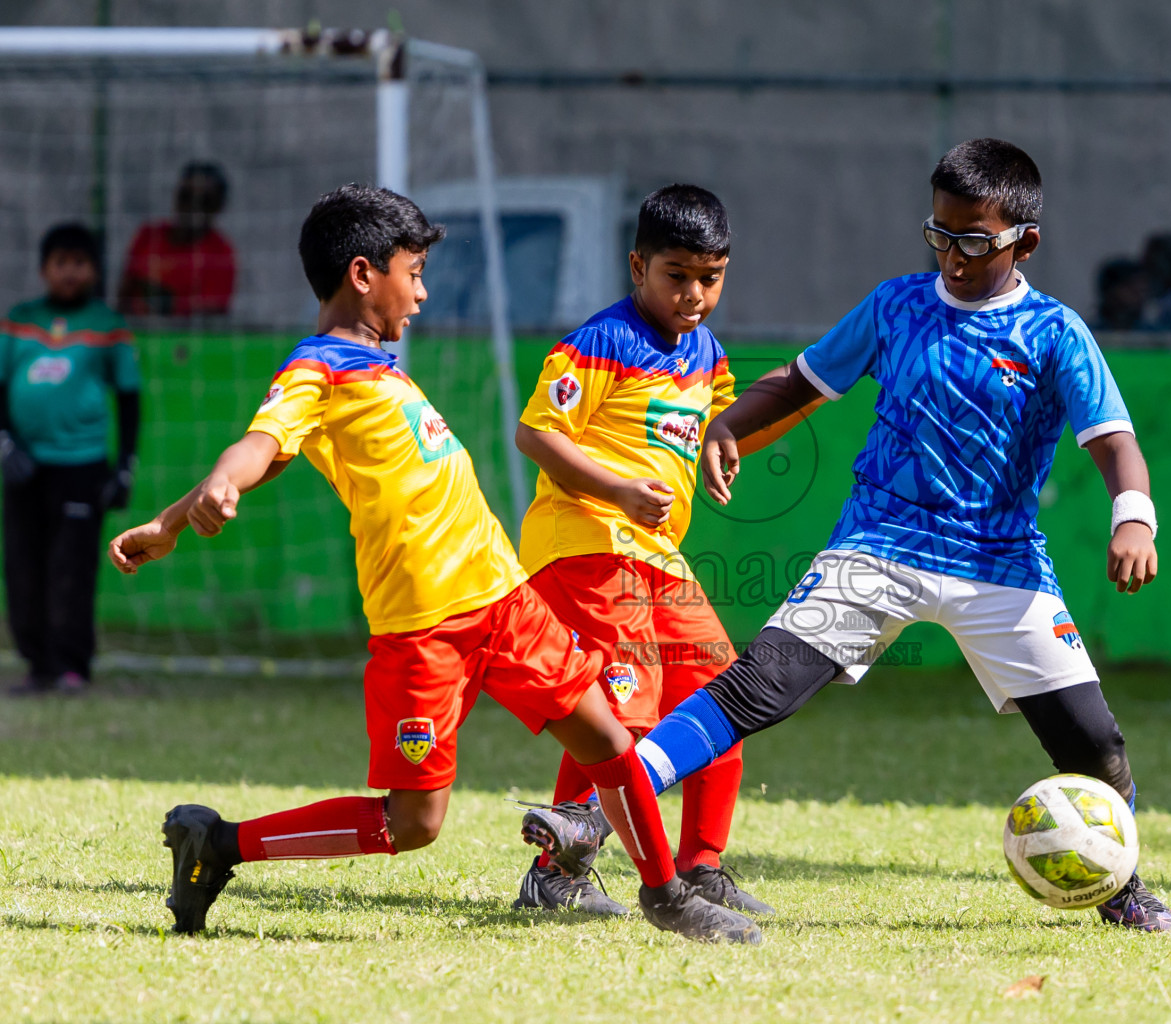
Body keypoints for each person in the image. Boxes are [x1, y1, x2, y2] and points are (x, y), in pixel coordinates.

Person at [531, 138, 1171, 933]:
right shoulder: (896, 305)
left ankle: (1123, 888)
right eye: (939, 234)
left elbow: (1114, 441)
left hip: (1001, 566)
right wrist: (727, 426)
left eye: (974, 241)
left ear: (1025, 242)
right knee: (751, 689)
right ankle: (594, 825)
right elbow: (803, 380)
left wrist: (1134, 517)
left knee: (1094, 742)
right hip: (877, 547)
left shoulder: (1055, 333)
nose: (952, 255)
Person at [106, 184, 759, 945]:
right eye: (412, 273)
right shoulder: (319, 369)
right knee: (414, 823)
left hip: (505, 600)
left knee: (612, 741)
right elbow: (263, 444)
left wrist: (170, 520)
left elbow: (280, 455)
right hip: (428, 626)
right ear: (362, 274)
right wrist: (219, 484)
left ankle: (667, 893)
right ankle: (220, 845)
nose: (421, 292)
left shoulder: (379, 367)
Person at [512, 184, 771, 917]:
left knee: (724, 700)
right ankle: (553, 875)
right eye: (676, 275)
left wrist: (725, 449)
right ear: (638, 266)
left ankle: (702, 868)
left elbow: (719, 422)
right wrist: (622, 491)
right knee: (620, 719)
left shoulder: (707, 351)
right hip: (588, 544)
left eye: (710, 277)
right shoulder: (603, 340)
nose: (694, 293)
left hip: (656, 555)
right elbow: (538, 434)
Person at [0, 223, 140, 696]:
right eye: (61, 262)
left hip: (81, 467)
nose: (70, 272)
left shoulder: (109, 327)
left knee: (72, 568)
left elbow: (129, 400)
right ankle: (37, 665)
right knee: (23, 568)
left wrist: (124, 467)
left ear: (94, 270)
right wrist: (5, 444)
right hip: (24, 467)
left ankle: (71, 667)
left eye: (79, 263)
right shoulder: (18, 320)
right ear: (44, 269)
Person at [118, 161, 237, 317]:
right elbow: (124, 296)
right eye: (186, 196)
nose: (193, 206)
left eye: (204, 200)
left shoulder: (221, 253)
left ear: (219, 206)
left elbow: (208, 317)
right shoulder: (148, 235)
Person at [1093, 256, 1147, 331]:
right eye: (1130, 288)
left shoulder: (1155, 336)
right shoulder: (1089, 334)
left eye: (1142, 290)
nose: (1138, 296)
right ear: (1110, 290)